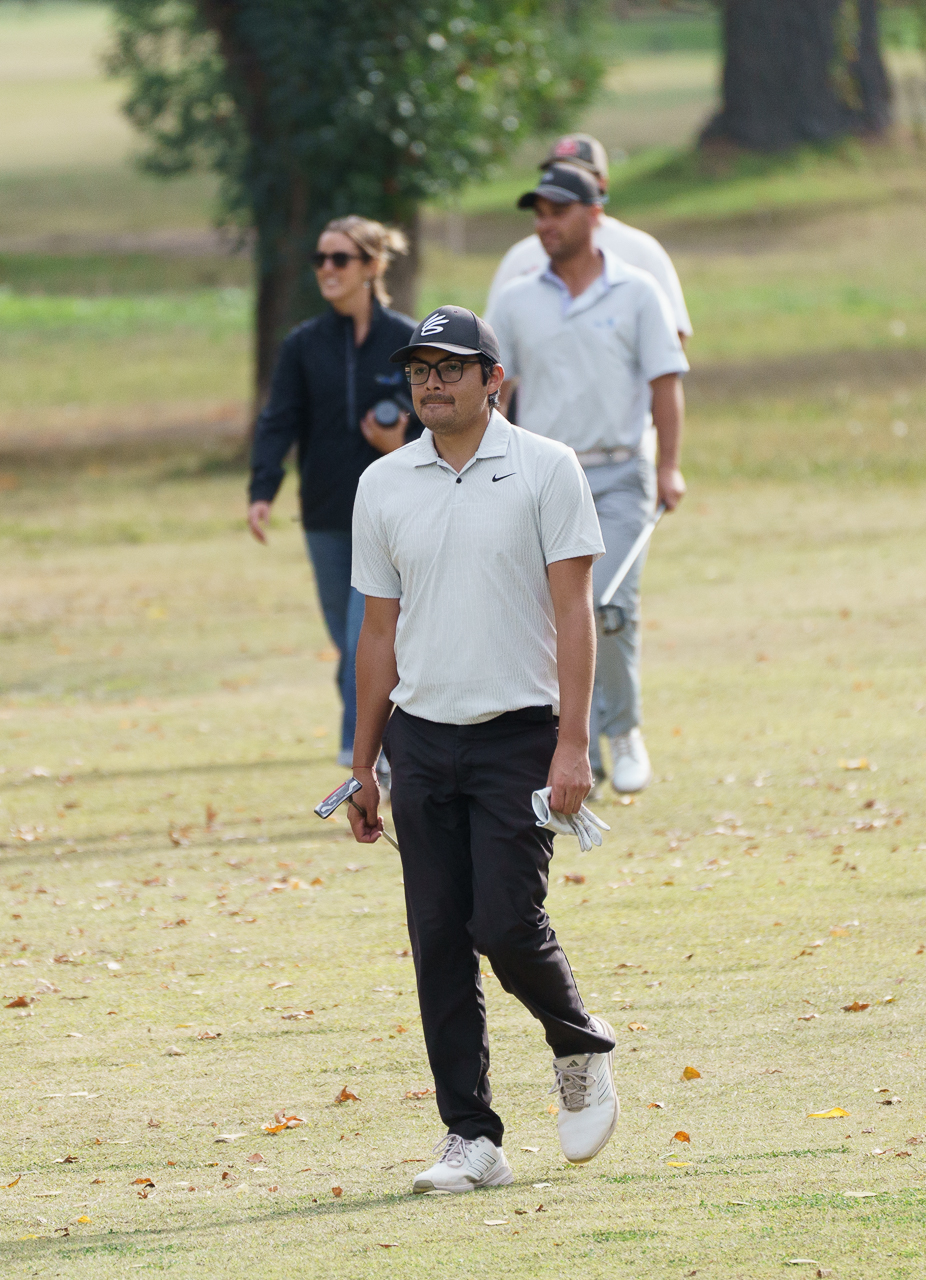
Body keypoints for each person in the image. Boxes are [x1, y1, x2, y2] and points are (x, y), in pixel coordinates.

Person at [347, 304, 620, 1194]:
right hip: (422, 740)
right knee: (438, 942)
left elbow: (575, 613)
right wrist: (363, 763)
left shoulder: (547, 468)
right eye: (419, 369)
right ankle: (472, 1136)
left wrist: (574, 744)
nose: (431, 383)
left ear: (491, 380)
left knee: (503, 924)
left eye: (450, 368)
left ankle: (578, 1043)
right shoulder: (383, 484)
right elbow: (378, 632)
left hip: (519, 736)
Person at [489, 164, 690, 797]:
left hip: (620, 470)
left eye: (558, 211)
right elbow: (495, 391)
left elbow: (665, 383)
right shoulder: (516, 298)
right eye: (539, 213)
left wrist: (668, 466)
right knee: (547, 616)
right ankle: (575, 749)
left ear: (595, 212)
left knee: (609, 605)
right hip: (543, 476)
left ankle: (623, 732)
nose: (545, 224)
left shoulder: (638, 291)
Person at [247, 216, 417, 771]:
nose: (326, 268)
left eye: (339, 258)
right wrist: (263, 488)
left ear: (372, 266)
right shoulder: (303, 345)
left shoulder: (408, 341)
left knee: (367, 633)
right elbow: (279, 420)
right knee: (351, 644)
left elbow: (438, 426)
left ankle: (360, 755)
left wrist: (397, 443)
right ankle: (390, 741)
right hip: (324, 515)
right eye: (320, 258)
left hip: (391, 518)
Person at [484, 133, 692, 346]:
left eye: (576, 173)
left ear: (602, 183)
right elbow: (493, 342)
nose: (563, 180)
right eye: (556, 172)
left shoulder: (641, 250)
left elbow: (673, 336)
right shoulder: (521, 258)